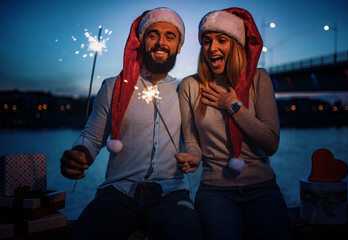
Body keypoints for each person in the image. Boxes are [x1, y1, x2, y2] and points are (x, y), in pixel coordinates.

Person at [60, 7, 202, 240]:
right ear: (141, 41)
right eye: (153, 34)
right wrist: (79, 154)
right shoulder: (113, 86)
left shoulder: (185, 90)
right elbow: (93, 137)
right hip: (117, 193)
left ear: (179, 46)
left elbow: (197, 142)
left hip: (172, 193)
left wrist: (196, 156)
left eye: (170, 36)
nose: (161, 42)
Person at [175, 8, 291, 240]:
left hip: (263, 188)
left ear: (237, 45)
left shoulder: (259, 79)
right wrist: (194, 157)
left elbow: (271, 144)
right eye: (206, 41)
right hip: (215, 190)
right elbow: (190, 139)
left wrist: (234, 106)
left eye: (221, 40)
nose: (212, 48)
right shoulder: (190, 86)